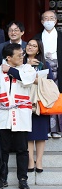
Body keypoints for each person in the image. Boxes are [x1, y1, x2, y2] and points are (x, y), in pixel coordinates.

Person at [0, 43, 36, 189]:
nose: (22, 57)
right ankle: (2, 178)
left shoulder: (27, 68)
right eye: (19, 55)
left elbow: (27, 80)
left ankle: (23, 179)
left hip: (21, 115)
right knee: (3, 149)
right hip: (2, 114)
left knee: (22, 149)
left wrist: (10, 69)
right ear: (9, 57)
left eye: (22, 54)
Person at [24, 39, 52, 173]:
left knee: (40, 133)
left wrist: (36, 79)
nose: (30, 47)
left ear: (39, 50)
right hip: (24, 101)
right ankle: (30, 160)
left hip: (41, 101)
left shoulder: (44, 64)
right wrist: (27, 65)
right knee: (28, 133)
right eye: (29, 45)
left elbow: (50, 82)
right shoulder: (21, 62)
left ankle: (39, 161)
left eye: (34, 46)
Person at [33, 10, 62, 138]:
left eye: (51, 18)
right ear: (42, 21)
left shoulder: (60, 36)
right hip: (43, 69)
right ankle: (46, 129)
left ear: (56, 21)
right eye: (46, 18)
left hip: (58, 69)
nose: (48, 21)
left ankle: (56, 130)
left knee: (56, 97)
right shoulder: (37, 37)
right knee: (44, 97)